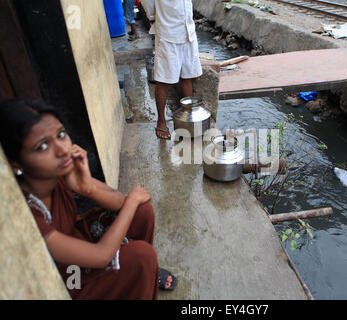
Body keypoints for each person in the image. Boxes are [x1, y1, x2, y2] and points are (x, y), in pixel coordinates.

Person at [0, 99, 177, 299]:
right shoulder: (26, 211)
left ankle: (141, 275)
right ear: (16, 164)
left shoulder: (55, 176)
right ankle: (138, 271)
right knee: (142, 255)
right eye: (42, 147)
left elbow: (120, 201)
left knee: (140, 211)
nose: (62, 150)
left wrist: (87, 187)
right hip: (70, 278)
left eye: (61, 135)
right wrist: (132, 201)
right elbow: (101, 256)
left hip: (78, 239)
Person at [141, 0, 203, 139]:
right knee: (163, 80)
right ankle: (161, 122)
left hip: (188, 32)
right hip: (168, 34)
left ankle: (188, 117)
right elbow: (148, 4)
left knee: (187, 77)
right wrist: (156, 17)